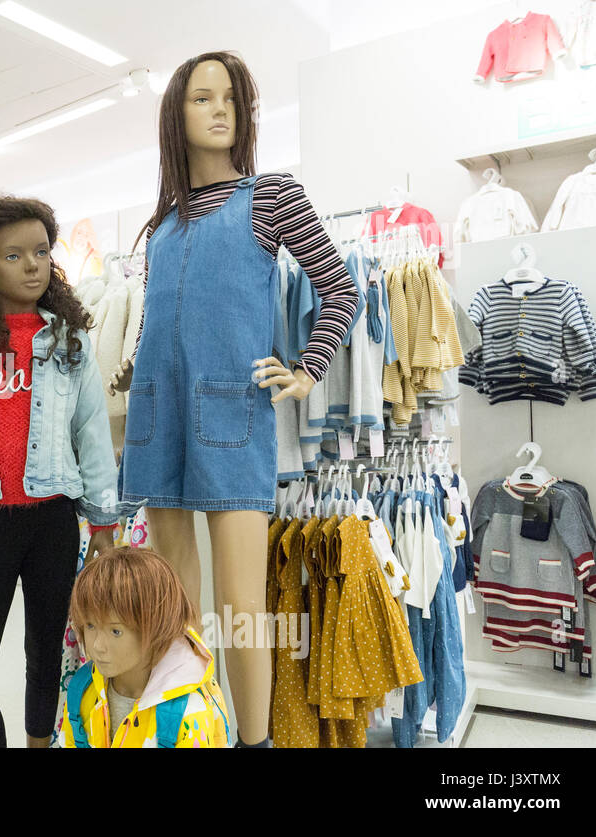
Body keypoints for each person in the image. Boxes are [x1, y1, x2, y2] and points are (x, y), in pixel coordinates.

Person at [108, 51, 358, 748]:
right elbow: (164, 323)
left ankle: (256, 741)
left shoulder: (272, 197)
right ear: (175, 117)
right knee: (175, 598)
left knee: (242, 604)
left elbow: (341, 287)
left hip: (232, 415)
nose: (221, 109)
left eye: (232, 98)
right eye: (202, 98)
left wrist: (308, 367)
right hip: (159, 417)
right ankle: (198, 726)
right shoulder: (158, 228)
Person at [0, 195, 127, 749]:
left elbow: (92, 436)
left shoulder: (70, 342)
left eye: (40, 252)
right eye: (14, 255)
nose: (33, 265)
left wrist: (105, 522)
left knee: (45, 654)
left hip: (54, 523)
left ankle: (40, 743)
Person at [61, 547, 229, 748]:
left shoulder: (187, 713)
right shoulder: (82, 691)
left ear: (157, 627)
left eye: (116, 631)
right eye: (90, 626)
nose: (97, 645)